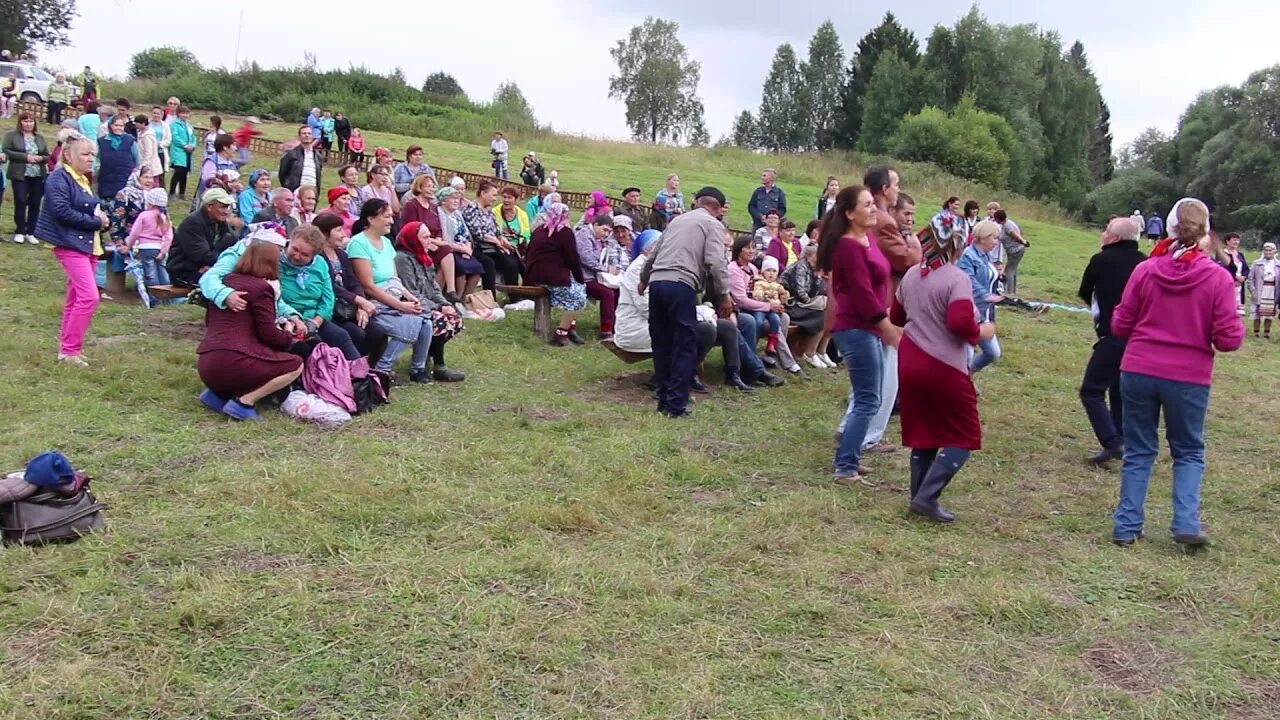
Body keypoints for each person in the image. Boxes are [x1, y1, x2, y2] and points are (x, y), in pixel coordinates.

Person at [1110, 197, 1243, 547]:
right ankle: (1185, 522)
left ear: (1169, 229)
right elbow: (1228, 340)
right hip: (1188, 375)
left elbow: (1120, 323)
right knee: (1187, 451)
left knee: (1139, 449)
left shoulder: (1145, 270)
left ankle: (1127, 526)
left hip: (1139, 368)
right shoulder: (1218, 278)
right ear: (1205, 232)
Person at [892, 208, 995, 522]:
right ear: (959, 243)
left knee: (924, 431)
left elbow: (896, 317)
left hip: (910, 359)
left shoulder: (912, 274)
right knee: (963, 435)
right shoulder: (956, 278)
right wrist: (985, 331)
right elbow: (962, 324)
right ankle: (926, 497)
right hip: (943, 364)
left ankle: (917, 496)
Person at [818, 186, 901, 486]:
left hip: (869, 327)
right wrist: (886, 325)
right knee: (868, 399)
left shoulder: (867, 240)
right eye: (866, 205)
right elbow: (862, 293)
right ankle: (845, 467)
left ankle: (849, 455)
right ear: (850, 213)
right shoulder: (849, 246)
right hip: (857, 328)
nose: (872, 209)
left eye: (872, 204)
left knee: (870, 397)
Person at [616, 230, 759, 393]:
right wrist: (695, 313)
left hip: (666, 321)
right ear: (646, 249)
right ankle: (678, 375)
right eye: (658, 246)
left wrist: (703, 310)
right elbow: (648, 309)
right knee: (704, 329)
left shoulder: (666, 266)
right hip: (638, 327)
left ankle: (733, 374)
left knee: (726, 327)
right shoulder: (638, 269)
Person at [638, 187, 734, 417]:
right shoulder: (713, 224)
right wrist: (724, 294)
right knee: (684, 345)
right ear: (718, 208)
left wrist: (644, 279)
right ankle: (676, 405)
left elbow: (653, 254)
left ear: (697, 202)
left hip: (658, 282)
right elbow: (715, 262)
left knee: (662, 343)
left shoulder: (677, 221)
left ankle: (663, 399)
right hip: (681, 284)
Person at [848, 165, 921, 455]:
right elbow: (905, 261)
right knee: (884, 374)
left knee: (868, 371)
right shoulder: (882, 221)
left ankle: (852, 428)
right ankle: (867, 436)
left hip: (864, 303)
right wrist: (914, 246)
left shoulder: (859, 217)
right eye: (896, 184)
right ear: (883, 189)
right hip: (881, 304)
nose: (898, 189)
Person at [196, 240, 304, 421]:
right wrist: (287, 333)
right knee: (295, 364)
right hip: (234, 362)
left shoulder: (225, 283)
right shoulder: (261, 288)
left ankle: (218, 394)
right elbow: (269, 335)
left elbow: (210, 321)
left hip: (206, 364)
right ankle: (244, 403)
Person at [1076, 217, 1146, 467]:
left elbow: (1085, 291)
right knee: (1119, 391)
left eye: (1106, 231)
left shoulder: (1101, 260)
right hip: (1139, 338)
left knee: (1091, 391)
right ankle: (1122, 441)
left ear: (1115, 238)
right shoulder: (1145, 262)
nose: (1102, 234)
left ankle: (1112, 441)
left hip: (1112, 335)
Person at [34, 132, 108, 366]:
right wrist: (97, 222)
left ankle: (68, 349)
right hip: (69, 243)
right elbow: (61, 212)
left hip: (89, 244)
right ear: (68, 155)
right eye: (85, 154)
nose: (90, 159)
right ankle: (69, 350)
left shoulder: (83, 179)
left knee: (76, 296)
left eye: (92, 155)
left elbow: (89, 207)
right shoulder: (59, 178)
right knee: (89, 297)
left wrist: (104, 215)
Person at [347, 199, 437, 383]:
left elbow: (394, 280)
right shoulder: (358, 243)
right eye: (387, 216)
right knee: (411, 324)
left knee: (426, 322)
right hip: (372, 303)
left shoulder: (387, 243)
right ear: (371, 219)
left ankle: (418, 368)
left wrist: (411, 299)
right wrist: (401, 306)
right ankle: (382, 369)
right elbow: (368, 286)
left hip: (392, 296)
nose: (391, 221)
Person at [277, 224, 364, 361]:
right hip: (286, 318)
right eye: (295, 249)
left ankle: (360, 376)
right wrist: (294, 318)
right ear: (290, 241)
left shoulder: (320, 263)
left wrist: (317, 321)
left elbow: (328, 297)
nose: (297, 256)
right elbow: (274, 296)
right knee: (313, 345)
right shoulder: (275, 261)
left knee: (341, 336)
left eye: (305, 254)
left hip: (314, 317)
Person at [393, 222, 466, 381]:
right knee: (440, 321)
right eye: (425, 237)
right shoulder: (402, 258)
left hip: (429, 302)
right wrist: (438, 307)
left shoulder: (424, 256)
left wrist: (444, 304)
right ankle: (439, 366)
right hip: (409, 303)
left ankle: (426, 353)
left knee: (455, 318)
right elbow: (411, 291)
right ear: (413, 239)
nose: (430, 241)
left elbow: (433, 286)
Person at [311, 213, 384, 358]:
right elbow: (331, 286)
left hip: (349, 307)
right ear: (324, 234)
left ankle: (365, 367)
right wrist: (358, 300)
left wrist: (362, 306)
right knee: (356, 333)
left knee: (378, 331)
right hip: (333, 310)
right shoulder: (317, 257)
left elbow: (353, 282)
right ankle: (351, 369)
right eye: (338, 230)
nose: (343, 234)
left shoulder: (341, 255)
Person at [522, 203, 587, 346]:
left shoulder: (539, 229)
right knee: (579, 298)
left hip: (533, 275)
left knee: (577, 288)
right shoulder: (565, 232)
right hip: (551, 277)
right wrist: (580, 278)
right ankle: (561, 334)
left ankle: (571, 327)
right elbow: (573, 259)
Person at [957, 220, 1003, 374]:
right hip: (971, 313)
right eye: (994, 238)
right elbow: (968, 280)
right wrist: (987, 296)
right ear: (984, 237)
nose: (996, 242)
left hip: (986, 314)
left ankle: (967, 376)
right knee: (967, 354)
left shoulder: (985, 256)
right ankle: (963, 382)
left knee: (993, 353)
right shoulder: (968, 256)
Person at [167, 187, 237, 287]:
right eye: (222, 207)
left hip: (207, 268)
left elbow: (235, 244)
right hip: (184, 273)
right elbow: (202, 257)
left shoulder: (220, 221)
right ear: (209, 207)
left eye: (227, 207)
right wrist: (227, 262)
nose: (226, 211)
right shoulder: (193, 223)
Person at [462, 180, 522, 294]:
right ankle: (490, 299)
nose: (495, 199)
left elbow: (497, 231)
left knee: (512, 263)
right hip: (477, 248)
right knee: (489, 264)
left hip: (492, 248)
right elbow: (476, 232)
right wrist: (495, 241)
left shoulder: (489, 211)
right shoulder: (471, 209)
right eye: (493, 195)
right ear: (483, 193)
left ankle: (515, 297)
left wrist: (502, 239)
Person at [780, 243, 830, 368]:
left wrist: (818, 276)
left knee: (831, 311)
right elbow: (800, 292)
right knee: (823, 314)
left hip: (804, 302)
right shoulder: (801, 267)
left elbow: (817, 290)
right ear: (813, 255)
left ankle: (818, 351)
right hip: (792, 303)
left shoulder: (815, 267)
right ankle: (810, 353)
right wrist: (812, 302)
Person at [572, 214, 621, 339]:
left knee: (616, 291)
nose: (606, 234)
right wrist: (606, 269)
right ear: (595, 225)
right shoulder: (584, 235)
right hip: (580, 277)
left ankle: (614, 325)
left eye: (609, 232)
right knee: (607, 293)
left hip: (593, 276)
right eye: (604, 230)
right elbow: (585, 258)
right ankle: (606, 330)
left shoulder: (601, 240)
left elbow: (611, 254)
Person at [4, 113, 49, 244]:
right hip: (20, 174)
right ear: (20, 122)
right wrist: (25, 157)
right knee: (21, 201)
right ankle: (20, 231)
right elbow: (7, 151)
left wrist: (41, 158)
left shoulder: (39, 138)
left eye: (31, 121)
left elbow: (47, 155)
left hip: (37, 175)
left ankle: (31, 231)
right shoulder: (12, 136)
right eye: (25, 121)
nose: (28, 124)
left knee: (35, 203)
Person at [436, 186, 485, 299]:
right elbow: (446, 239)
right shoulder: (441, 214)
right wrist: (463, 249)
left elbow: (466, 234)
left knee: (477, 269)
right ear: (443, 200)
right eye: (453, 198)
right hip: (450, 249)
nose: (456, 201)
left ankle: (465, 298)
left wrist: (468, 247)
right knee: (462, 269)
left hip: (463, 248)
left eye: (457, 198)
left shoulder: (457, 214)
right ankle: (456, 298)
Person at [124, 187, 173, 287]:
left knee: (150, 274)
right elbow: (169, 236)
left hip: (146, 248)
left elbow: (135, 233)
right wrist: (163, 251)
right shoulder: (165, 217)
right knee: (163, 272)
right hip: (159, 248)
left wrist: (129, 245)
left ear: (150, 202)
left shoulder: (144, 215)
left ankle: (154, 297)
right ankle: (167, 295)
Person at [751, 256, 789, 354]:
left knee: (776, 320)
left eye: (774, 271)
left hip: (773, 310)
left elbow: (784, 295)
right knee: (758, 321)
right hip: (760, 308)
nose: (771, 273)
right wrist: (765, 295)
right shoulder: (759, 282)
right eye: (768, 270)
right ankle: (753, 342)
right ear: (763, 272)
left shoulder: (777, 285)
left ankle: (771, 344)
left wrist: (784, 295)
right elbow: (757, 295)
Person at [97, 116, 138, 201]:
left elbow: (137, 158)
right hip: (107, 177)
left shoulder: (130, 140)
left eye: (121, 126)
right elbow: (97, 159)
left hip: (125, 176)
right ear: (110, 126)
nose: (118, 128)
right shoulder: (102, 141)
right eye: (116, 125)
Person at [278, 125, 322, 193]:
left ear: (312, 136)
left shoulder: (318, 156)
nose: (307, 135)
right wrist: (288, 187)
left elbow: (318, 175)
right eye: (304, 133)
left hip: (312, 191)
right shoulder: (291, 154)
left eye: (309, 133)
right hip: (296, 191)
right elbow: (282, 174)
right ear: (299, 137)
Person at [994, 209, 1029, 293]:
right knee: (1013, 269)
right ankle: (1012, 291)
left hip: (1015, 251)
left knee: (1009, 271)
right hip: (1012, 251)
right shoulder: (1006, 223)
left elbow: (1016, 235)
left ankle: (1009, 292)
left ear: (998, 219)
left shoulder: (1008, 226)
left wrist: (1023, 241)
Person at [1250, 242, 1278, 339]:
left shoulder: (1278, 265)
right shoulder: (1256, 263)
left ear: (1274, 251)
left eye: (1270, 250)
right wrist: (1253, 290)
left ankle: (1267, 332)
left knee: (1269, 313)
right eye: (1266, 250)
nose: (1268, 252)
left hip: (1272, 290)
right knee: (1257, 313)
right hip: (1260, 289)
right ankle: (1256, 332)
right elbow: (1250, 279)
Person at [166, 106, 195, 199]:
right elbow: (175, 137)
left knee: (185, 173)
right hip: (178, 151)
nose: (185, 115)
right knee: (178, 172)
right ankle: (171, 192)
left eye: (187, 113)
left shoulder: (189, 125)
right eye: (183, 113)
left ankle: (182, 193)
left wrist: (193, 145)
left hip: (188, 152)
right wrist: (185, 145)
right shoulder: (174, 124)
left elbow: (193, 137)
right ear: (178, 114)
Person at [493, 185, 531, 253]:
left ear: (515, 199)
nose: (506, 200)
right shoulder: (494, 212)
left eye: (509, 198)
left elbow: (526, 234)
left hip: (518, 247)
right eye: (504, 197)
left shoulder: (523, 215)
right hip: (501, 246)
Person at [1223, 233, 1249, 314]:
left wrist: (1244, 277)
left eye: (1238, 240)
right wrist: (1235, 277)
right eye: (1234, 240)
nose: (1236, 242)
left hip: (1240, 286)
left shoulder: (1240, 254)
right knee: (1227, 310)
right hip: (1228, 285)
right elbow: (1223, 269)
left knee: (1239, 313)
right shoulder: (1223, 254)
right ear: (1227, 241)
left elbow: (1246, 269)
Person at [147, 107, 170, 187]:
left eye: (158, 113)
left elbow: (168, 140)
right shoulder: (147, 124)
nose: (156, 115)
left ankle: (161, 191)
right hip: (149, 153)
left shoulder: (165, 126)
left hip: (160, 152)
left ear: (161, 114)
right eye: (154, 113)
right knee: (148, 172)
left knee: (160, 173)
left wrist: (159, 144)